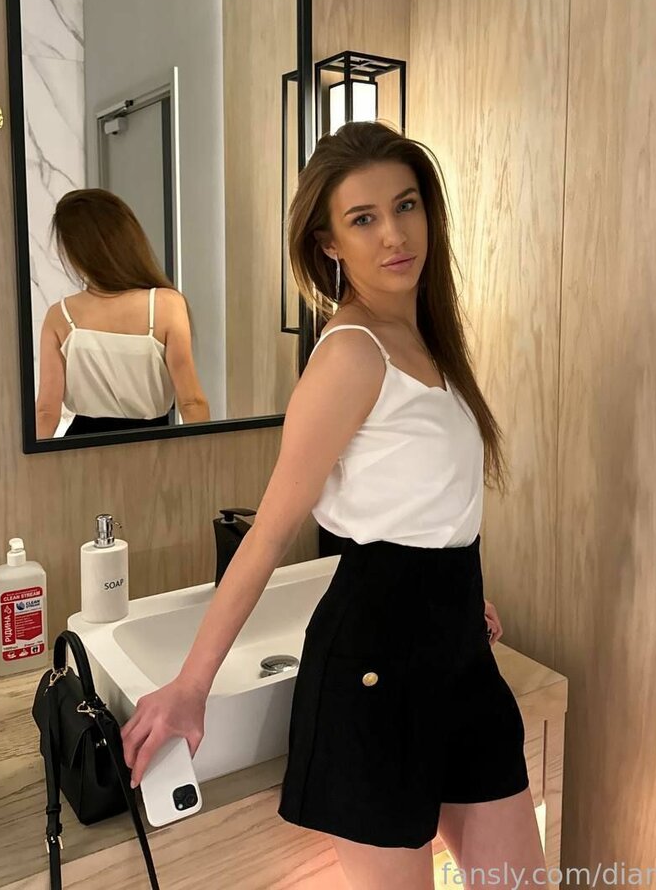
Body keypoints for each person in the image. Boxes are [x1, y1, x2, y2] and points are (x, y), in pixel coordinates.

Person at [120, 121, 545, 888]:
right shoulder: (351, 354)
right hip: (373, 672)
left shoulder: (429, 342)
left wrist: (457, 597)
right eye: (364, 218)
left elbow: (424, 506)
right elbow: (270, 531)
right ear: (329, 243)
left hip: (457, 659)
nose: (394, 234)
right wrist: (191, 685)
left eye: (405, 205)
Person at [34, 188, 210, 439]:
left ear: (75, 253)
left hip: (78, 448)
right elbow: (191, 402)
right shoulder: (166, 304)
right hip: (153, 445)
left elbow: (46, 412)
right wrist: (205, 455)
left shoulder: (60, 316)